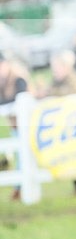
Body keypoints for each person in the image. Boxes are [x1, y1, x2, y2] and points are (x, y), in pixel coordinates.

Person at [42, 49, 76, 197]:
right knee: (72, 157)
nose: (55, 71)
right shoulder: (57, 82)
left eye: (57, 67)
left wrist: (50, 94)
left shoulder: (75, 81)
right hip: (65, 127)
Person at [0, 51, 30, 201]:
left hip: (25, 125)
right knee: (18, 155)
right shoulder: (3, 81)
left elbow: (22, 99)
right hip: (14, 125)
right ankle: (19, 187)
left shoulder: (18, 79)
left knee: (22, 156)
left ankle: (20, 188)